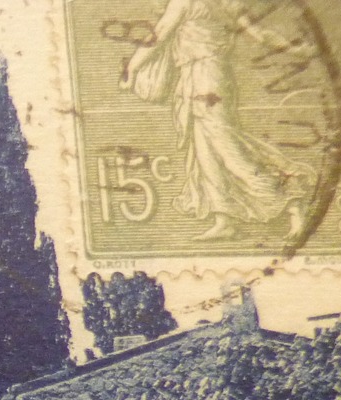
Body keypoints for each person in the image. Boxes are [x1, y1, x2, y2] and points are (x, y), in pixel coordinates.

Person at [123, 0, 310, 242]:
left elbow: (156, 37)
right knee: (205, 149)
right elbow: (260, 35)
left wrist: (131, 68)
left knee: (226, 146)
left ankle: (289, 197)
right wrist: (294, 49)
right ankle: (224, 220)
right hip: (211, 77)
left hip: (205, 79)